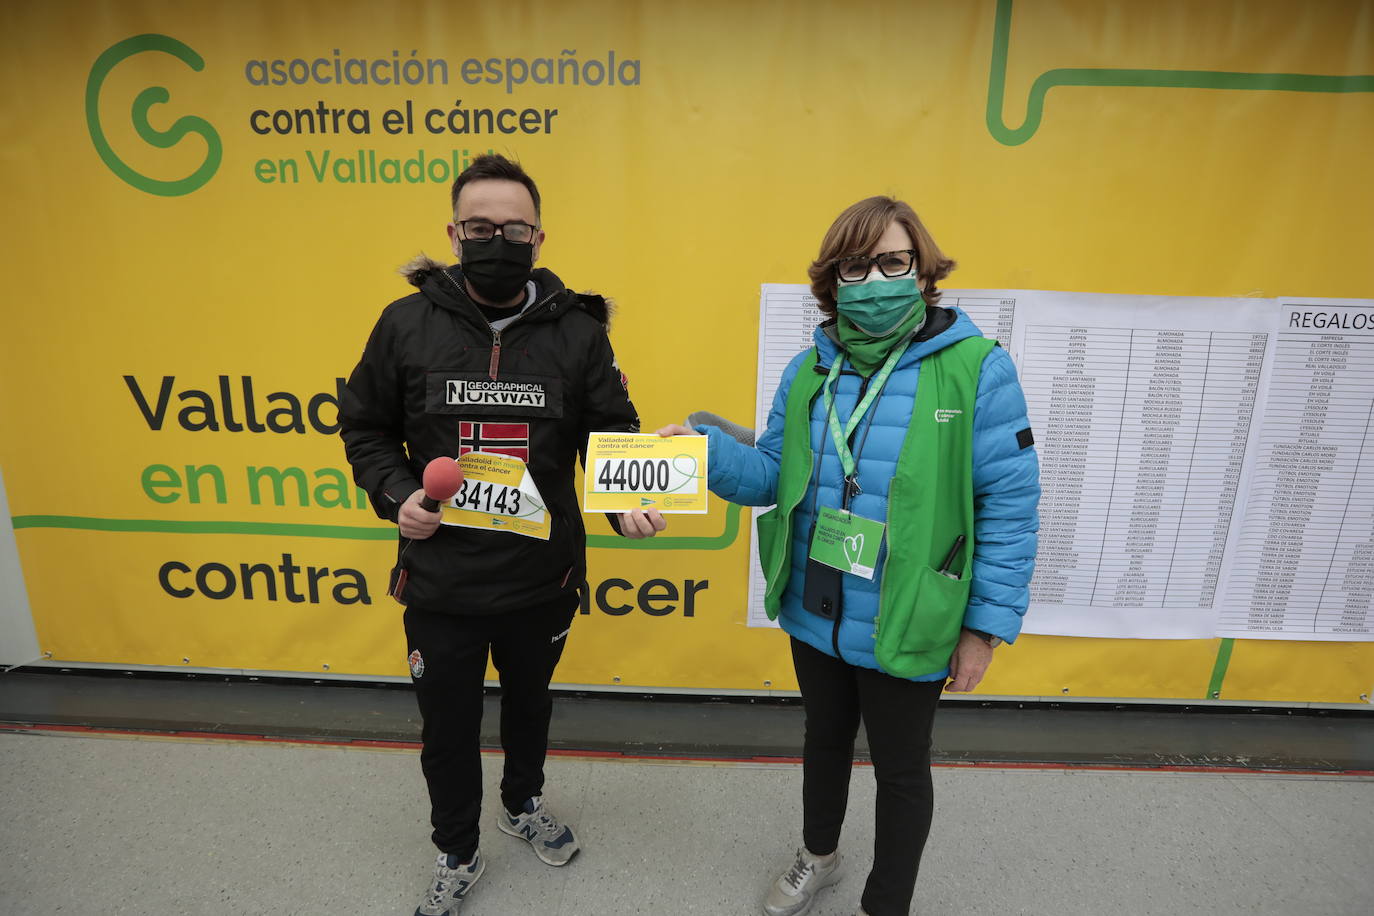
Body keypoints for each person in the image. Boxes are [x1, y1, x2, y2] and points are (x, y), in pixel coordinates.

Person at [659, 196, 1039, 916]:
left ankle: (884, 904)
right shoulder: (808, 370)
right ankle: (818, 857)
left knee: (900, 770)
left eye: (892, 262)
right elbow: (771, 474)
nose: (873, 281)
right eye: (854, 267)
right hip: (818, 599)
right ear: (831, 281)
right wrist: (703, 451)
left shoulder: (977, 369)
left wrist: (982, 628)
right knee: (824, 739)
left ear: (922, 270)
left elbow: (1010, 509)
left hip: (912, 610)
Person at [339, 153, 666, 916]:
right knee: (446, 729)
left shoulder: (580, 332)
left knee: (530, 705)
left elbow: (612, 433)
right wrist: (397, 496)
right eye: (480, 226)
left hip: (540, 581)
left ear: (539, 238)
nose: (497, 238)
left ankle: (522, 805)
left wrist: (628, 505)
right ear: (454, 234)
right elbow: (366, 428)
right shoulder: (403, 325)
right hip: (442, 581)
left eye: (513, 227)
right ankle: (456, 849)